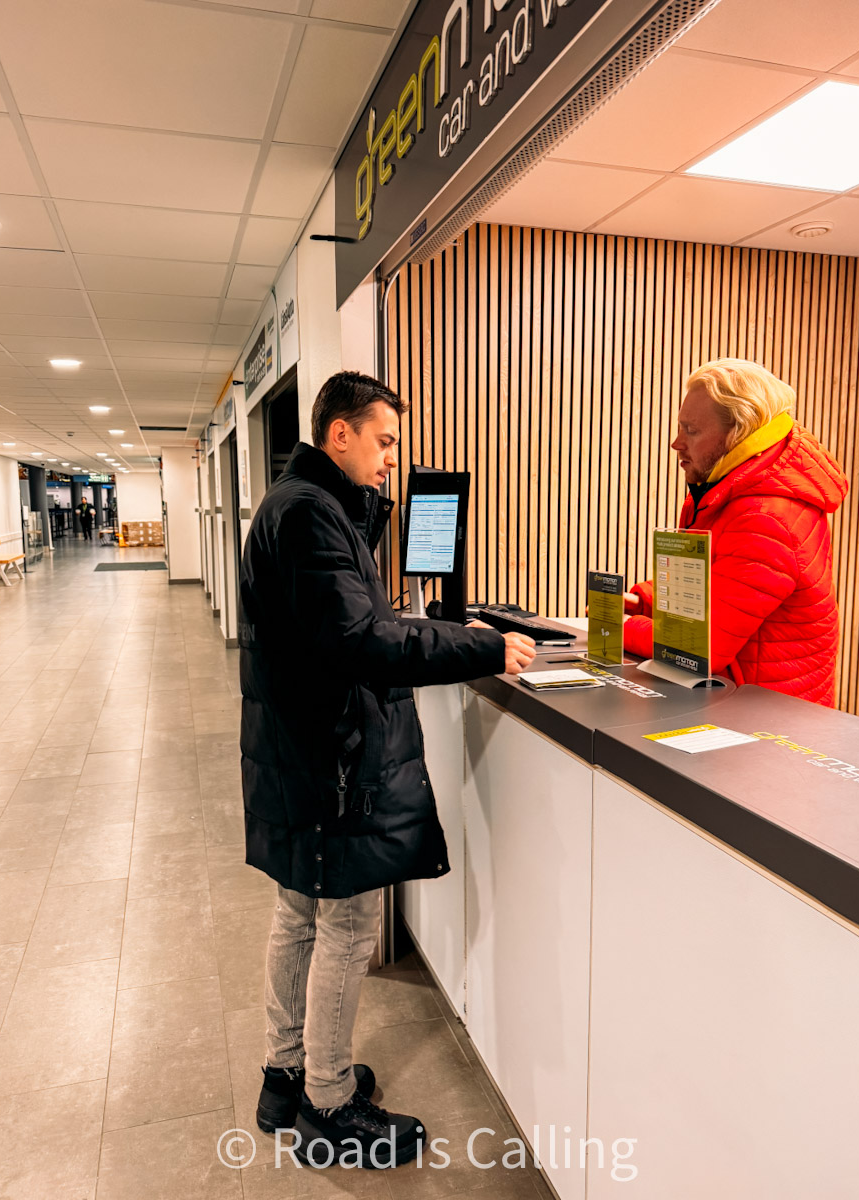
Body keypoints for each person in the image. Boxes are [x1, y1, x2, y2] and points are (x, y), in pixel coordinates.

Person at [239, 371, 536, 1169]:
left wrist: (367, 518)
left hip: (302, 754)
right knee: (345, 925)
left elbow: (348, 622)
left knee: (300, 914)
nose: (391, 458)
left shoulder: (305, 507)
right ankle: (329, 1104)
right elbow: (361, 641)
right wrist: (481, 644)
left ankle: (286, 1073)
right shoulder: (307, 516)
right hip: (328, 758)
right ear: (339, 434)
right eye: (383, 440)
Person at [624, 358, 848, 706]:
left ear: (738, 433)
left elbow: (697, 647)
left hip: (768, 726)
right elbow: (724, 581)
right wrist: (646, 600)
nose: (677, 443)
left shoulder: (766, 515)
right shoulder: (733, 493)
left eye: (691, 430)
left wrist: (621, 626)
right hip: (742, 707)